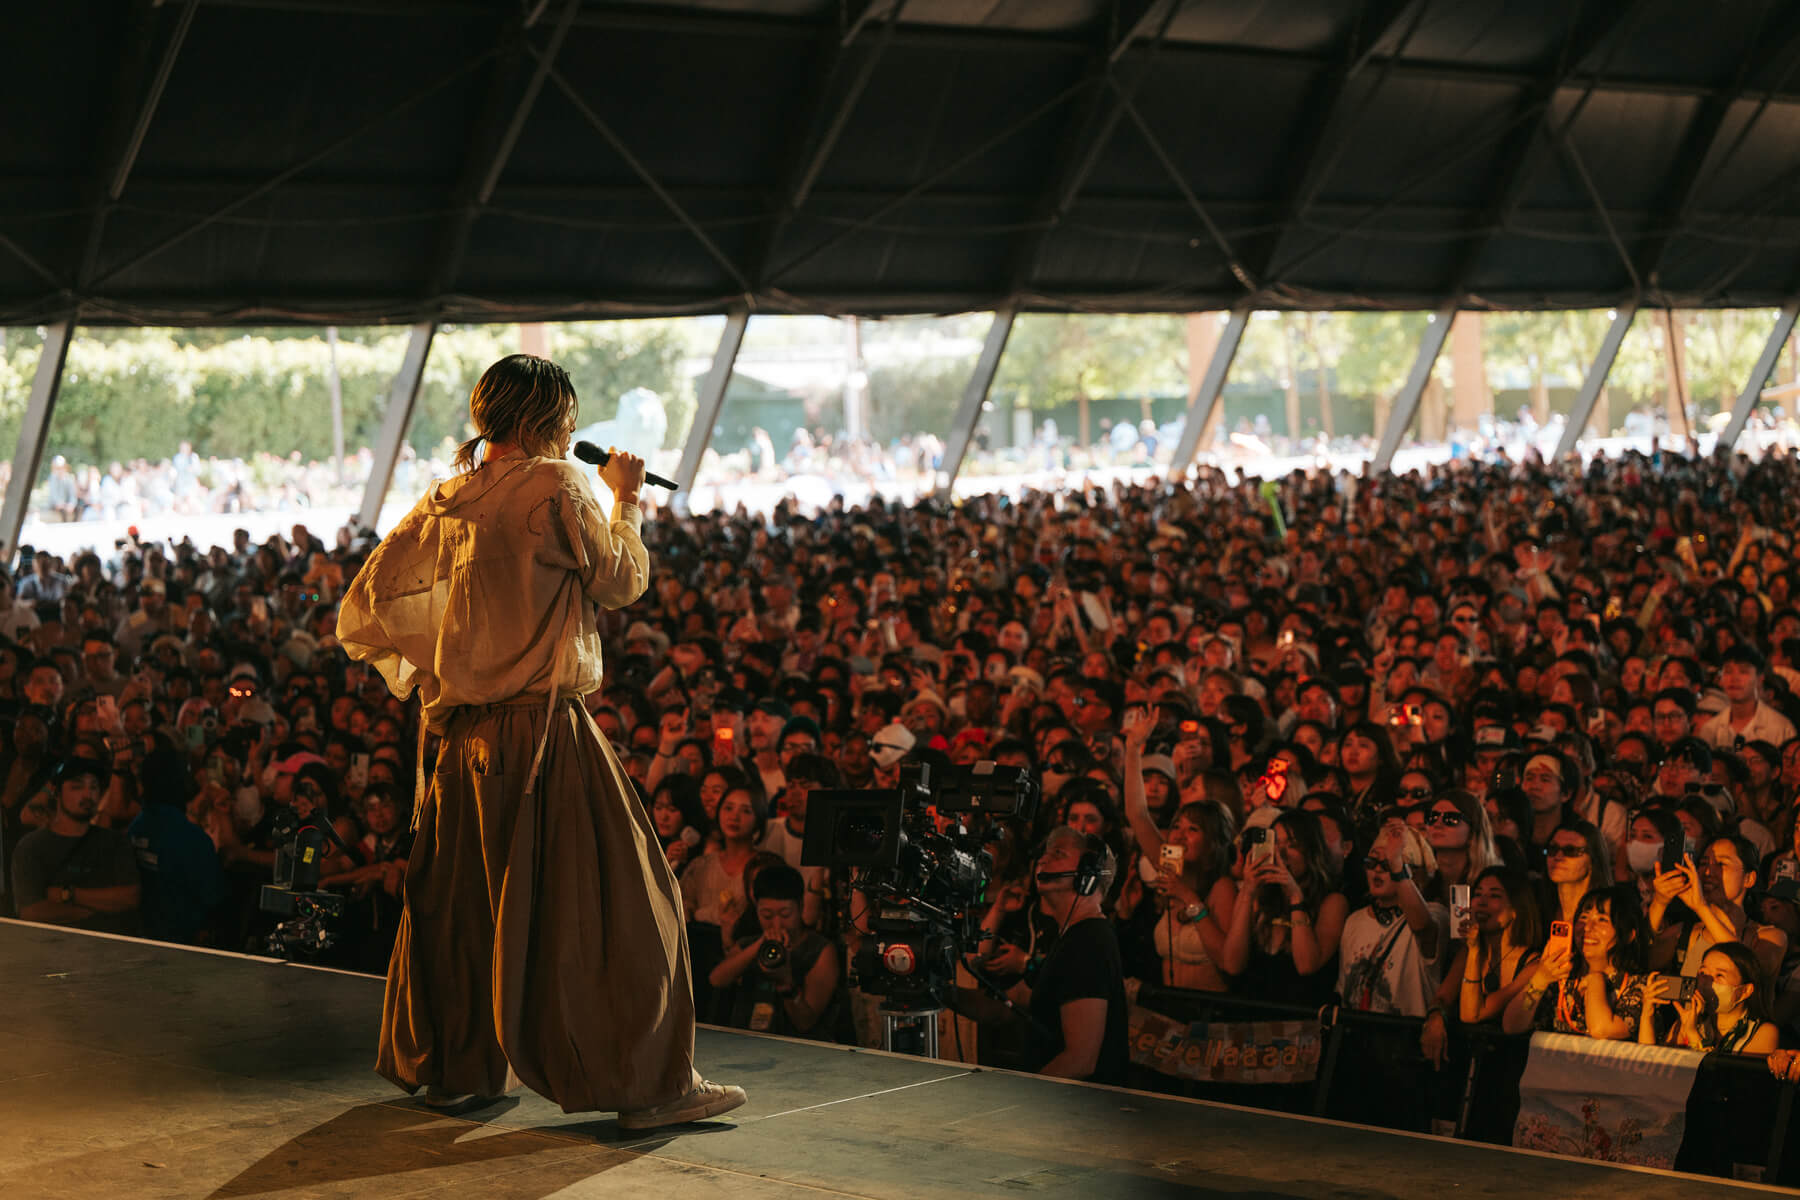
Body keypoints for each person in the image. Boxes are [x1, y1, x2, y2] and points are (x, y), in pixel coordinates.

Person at [336, 354, 741, 1126]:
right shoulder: (557, 485)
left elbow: (368, 605)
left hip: (465, 740)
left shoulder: (449, 499)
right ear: (548, 417)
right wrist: (627, 500)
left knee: (463, 911)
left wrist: (444, 667)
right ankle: (647, 1085)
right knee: (624, 904)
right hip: (544, 729)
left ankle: (457, 1070)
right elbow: (621, 582)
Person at [998, 827, 1129, 1084]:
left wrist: (1021, 1099)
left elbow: (1080, 1060)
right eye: (1045, 853)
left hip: (1077, 1105)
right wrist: (948, 994)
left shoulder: (1089, 942)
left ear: (1087, 875)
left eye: (1058, 853)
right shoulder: (1069, 935)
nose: (1043, 860)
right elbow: (1008, 1005)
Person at [11, 756, 141, 934]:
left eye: (94, 787)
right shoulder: (32, 846)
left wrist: (68, 895)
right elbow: (31, 912)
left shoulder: (114, 842)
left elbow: (130, 897)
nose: (87, 795)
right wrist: (96, 909)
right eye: (77, 787)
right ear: (57, 793)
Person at [1640, 942, 1779, 1053]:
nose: (1707, 981)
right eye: (1703, 973)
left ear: (1745, 991)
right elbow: (1652, 1065)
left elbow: (1719, 1076)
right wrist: (1647, 1014)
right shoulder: (1690, 1020)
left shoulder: (1763, 1033)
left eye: (1719, 975)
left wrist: (1693, 1034)